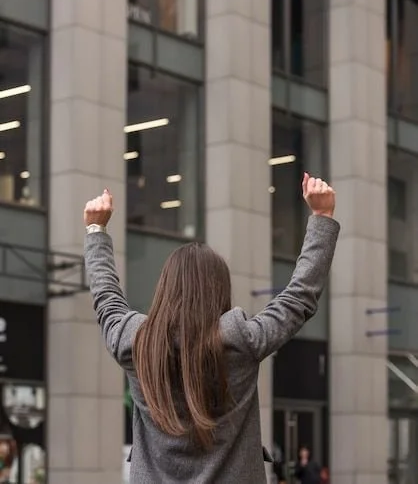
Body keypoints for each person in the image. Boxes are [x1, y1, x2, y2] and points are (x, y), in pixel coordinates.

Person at [84, 173, 339, 484]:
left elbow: (106, 299)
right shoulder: (241, 341)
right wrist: (321, 217)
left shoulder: (135, 342)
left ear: (164, 289)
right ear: (220, 290)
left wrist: (96, 230)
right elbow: (299, 297)